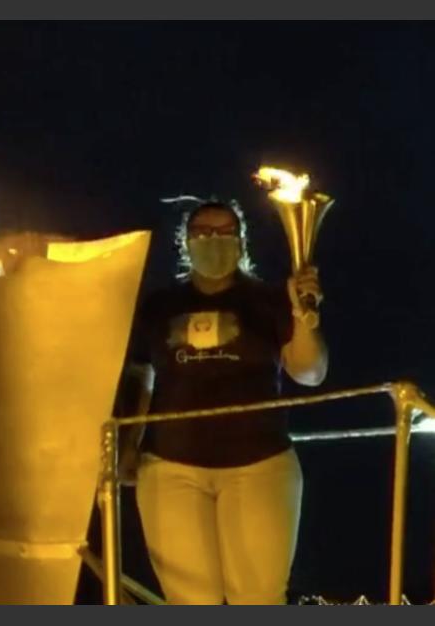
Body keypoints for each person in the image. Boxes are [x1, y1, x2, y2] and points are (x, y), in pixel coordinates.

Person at [118, 198, 328, 605]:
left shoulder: (270, 300)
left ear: (241, 241)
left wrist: (303, 313)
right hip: (170, 468)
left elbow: (310, 372)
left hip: (260, 464)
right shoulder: (159, 307)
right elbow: (140, 377)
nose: (213, 240)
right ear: (185, 242)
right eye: (202, 232)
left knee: (259, 596)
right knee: (190, 600)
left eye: (224, 232)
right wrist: (128, 445)